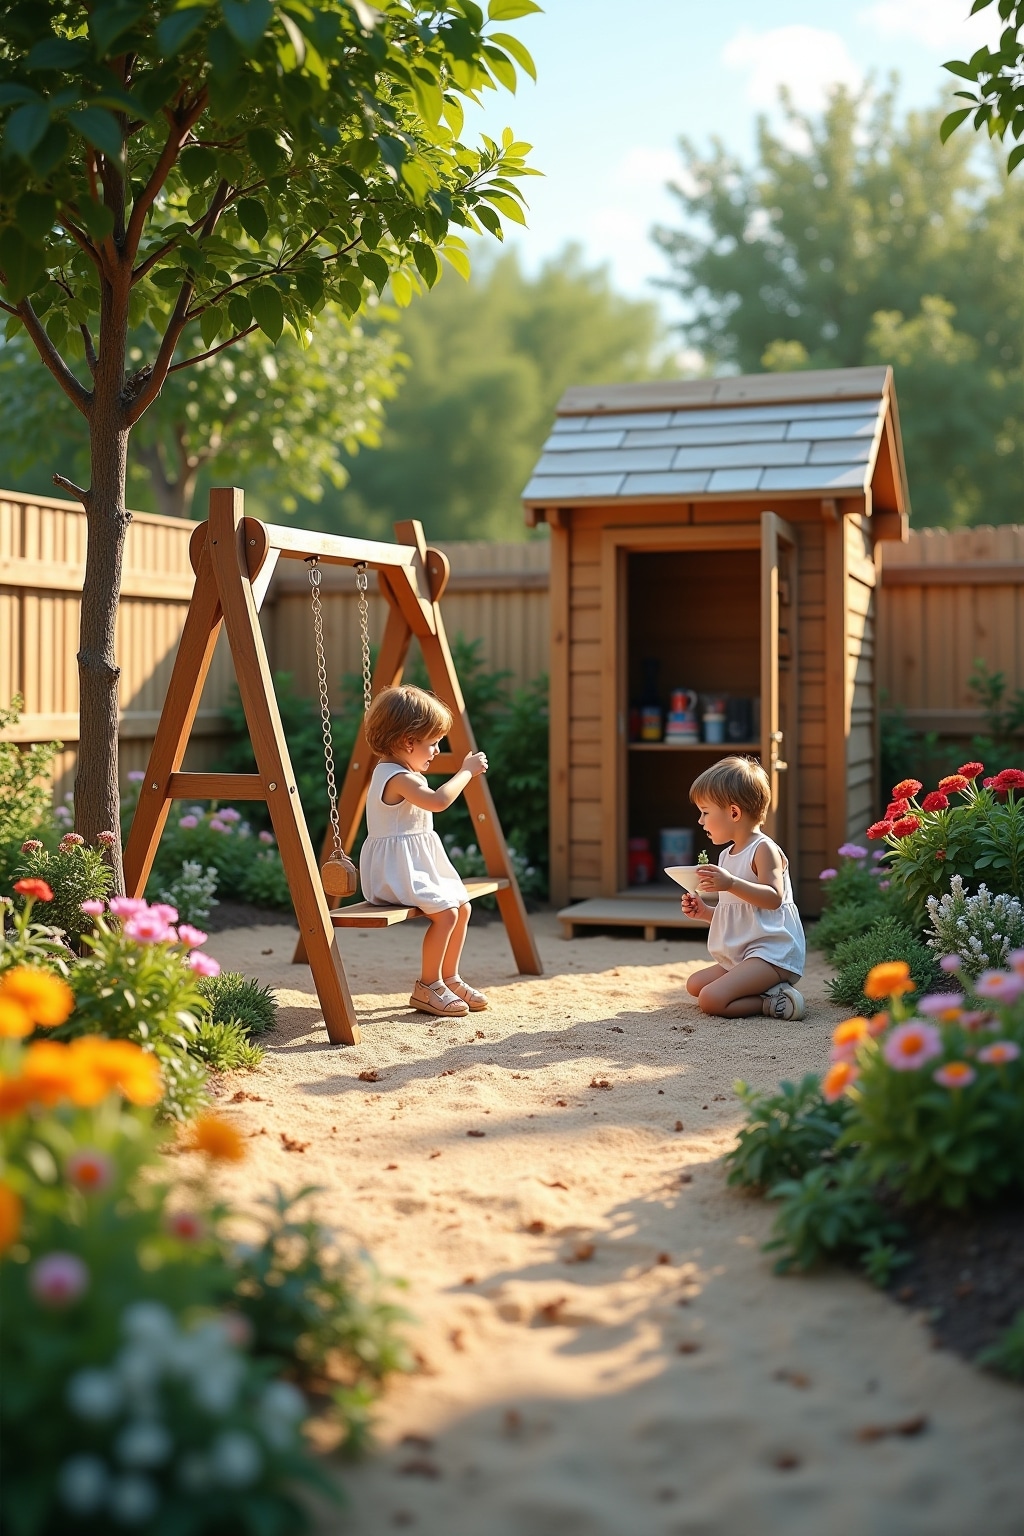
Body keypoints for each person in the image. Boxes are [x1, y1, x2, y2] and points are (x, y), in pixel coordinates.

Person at [360, 684, 488, 1018]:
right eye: (432, 743)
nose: (436, 750)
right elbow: (439, 801)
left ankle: (450, 977)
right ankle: (427, 986)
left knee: (462, 906)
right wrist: (466, 771)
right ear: (408, 741)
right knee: (446, 914)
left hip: (413, 865)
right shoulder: (398, 777)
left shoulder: (401, 771)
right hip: (394, 872)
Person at [680, 756, 806, 1020]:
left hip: (772, 955)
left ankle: (772, 1003)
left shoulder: (764, 850)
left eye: (705, 812)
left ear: (734, 813)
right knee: (695, 985)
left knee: (711, 999)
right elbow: (739, 913)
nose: (701, 821)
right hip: (746, 954)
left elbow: (773, 899)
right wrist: (705, 912)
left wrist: (731, 883)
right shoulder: (726, 856)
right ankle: (768, 991)